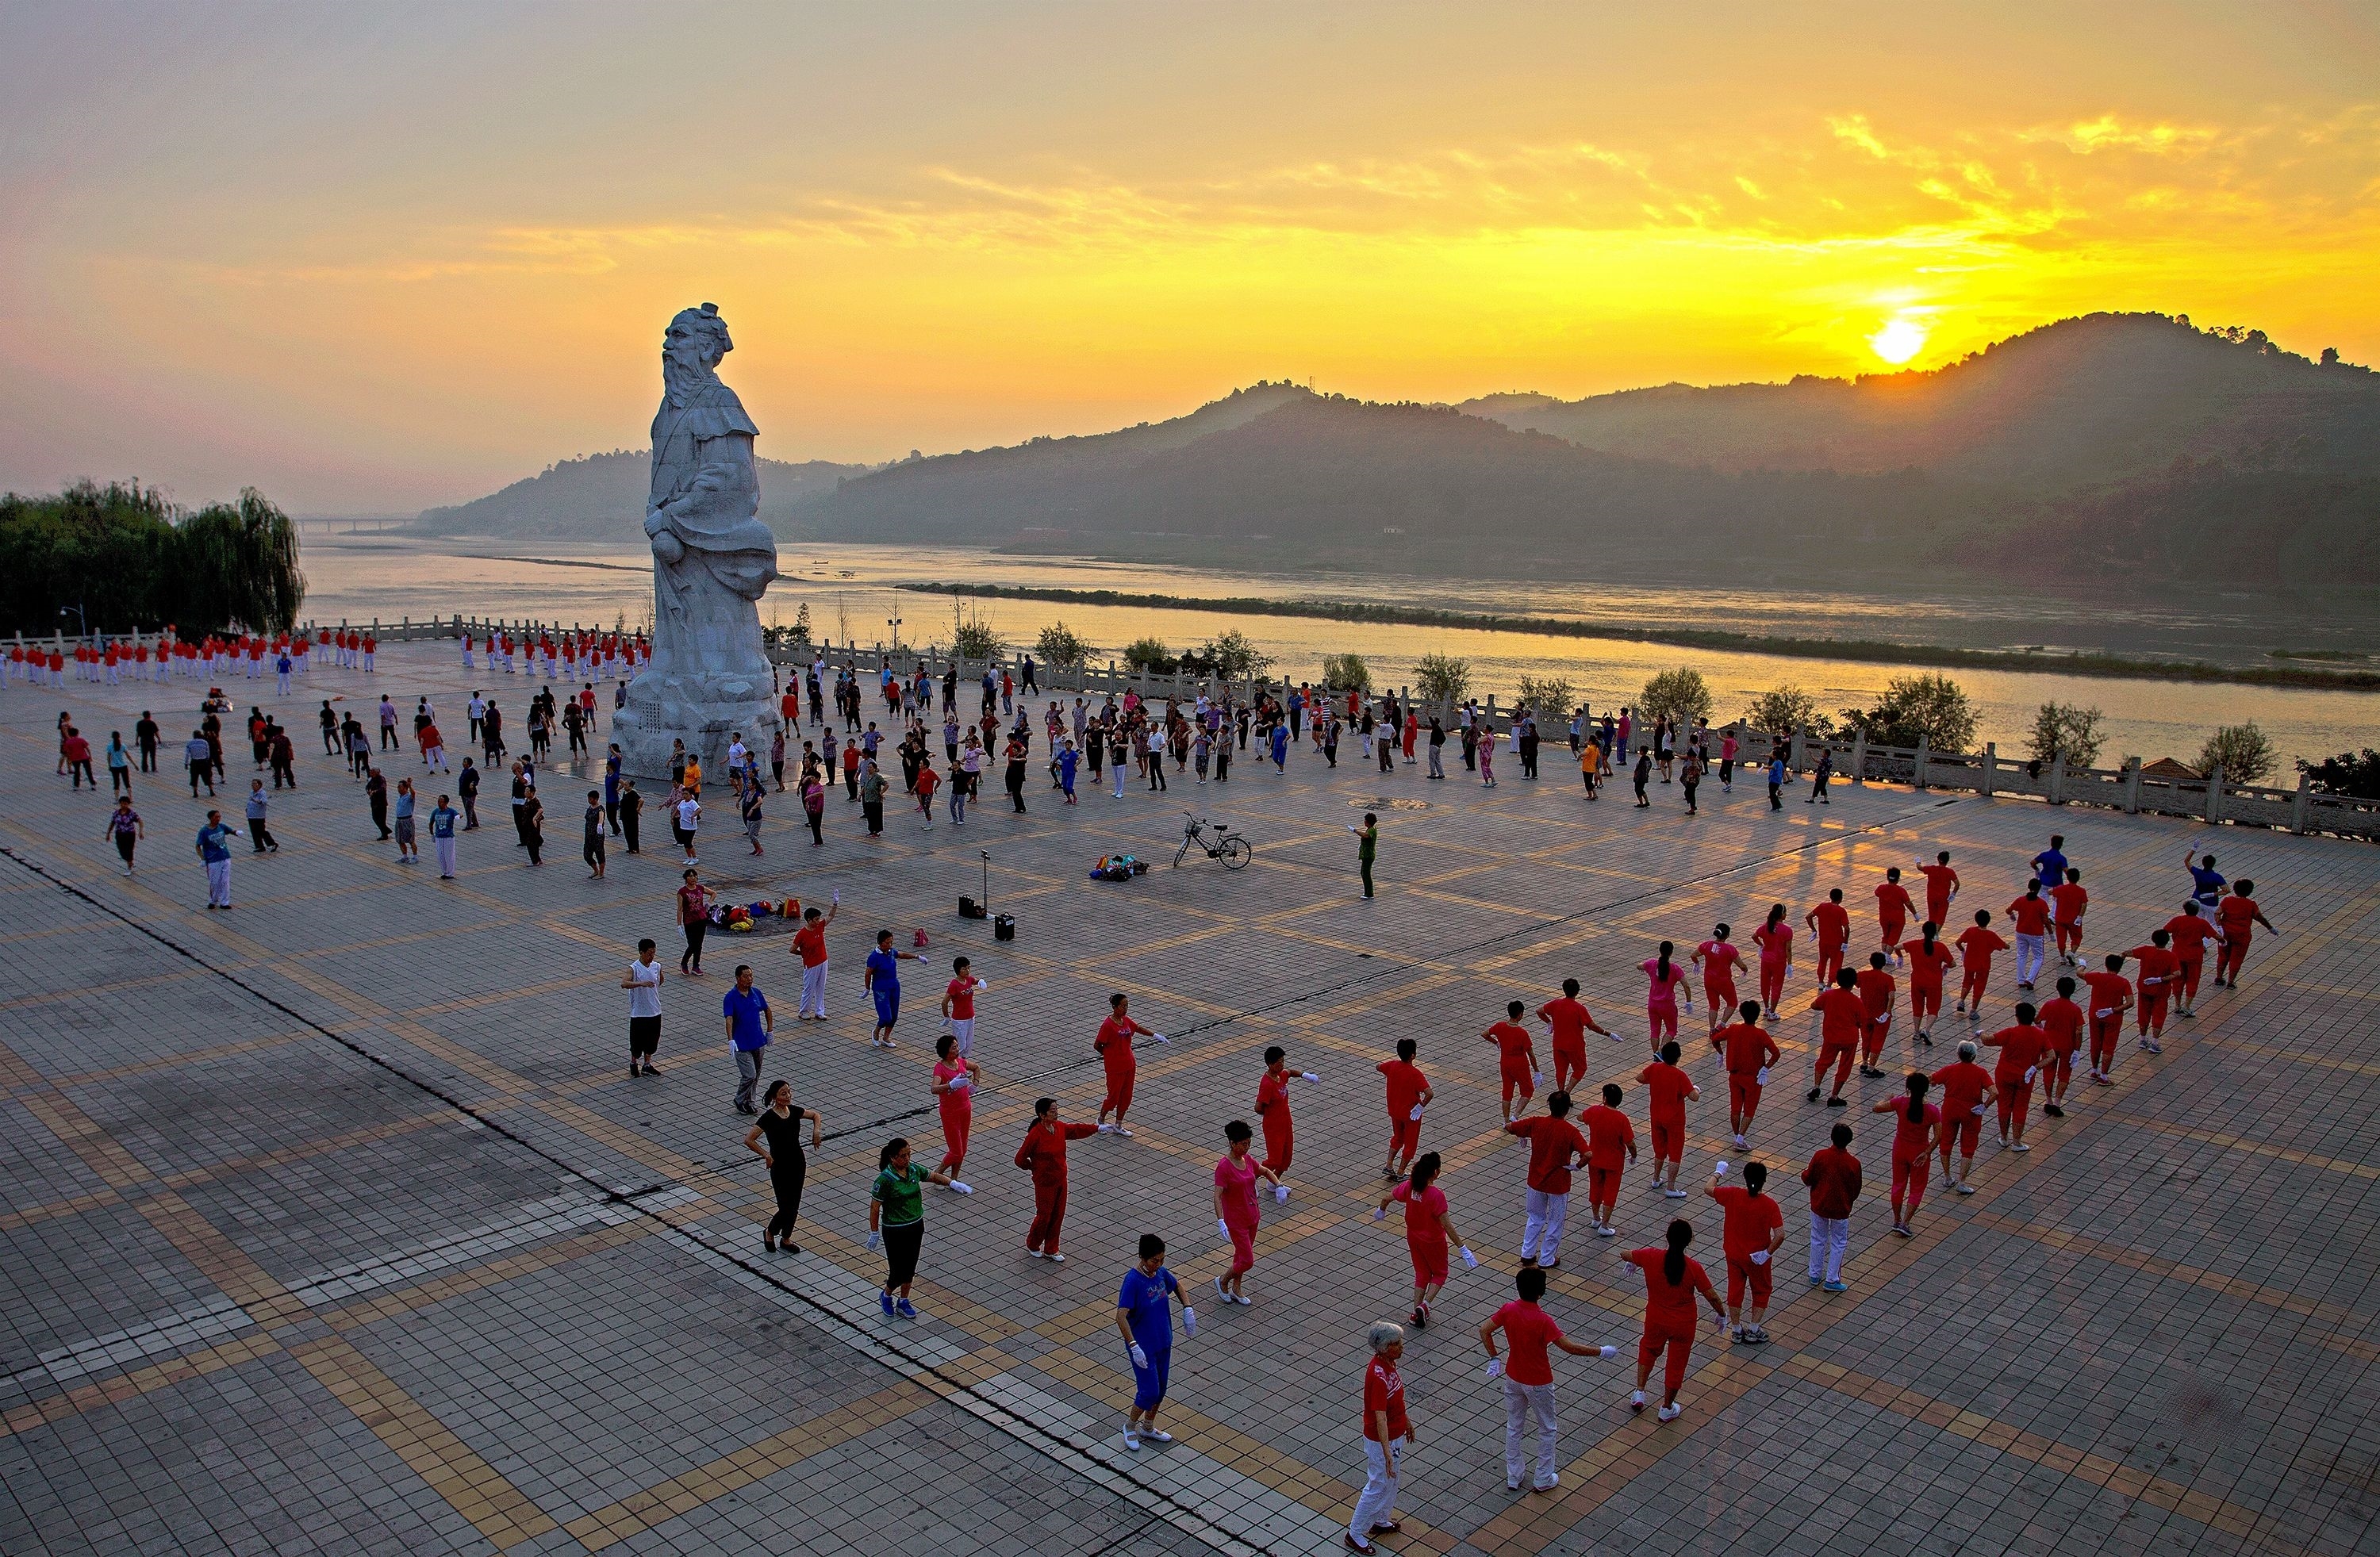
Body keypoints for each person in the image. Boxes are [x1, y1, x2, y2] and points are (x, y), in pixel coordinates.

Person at [1480, 1266, 1615, 1492]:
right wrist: (1601, 1351)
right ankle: (1543, 1477)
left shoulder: (1509, 1309)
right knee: (1547, 1428)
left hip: (1513, 1376)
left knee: (1514, 1426)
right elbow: (1569, 1347)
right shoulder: (1543, 1320)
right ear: (1540, 1293)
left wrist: (1494, 1357)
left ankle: (1514, 1475)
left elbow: (1484, 1330)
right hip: (1539, 1381)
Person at [1625, 1220, 1725, 1421]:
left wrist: (1634, 1262)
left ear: (1667, 1237)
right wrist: (1721, 1314)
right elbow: (1711, 1296)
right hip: (1683, 1324)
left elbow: (1625, 1254)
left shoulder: (1651, 1256)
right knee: (1676, 1364)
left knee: (1648, 1350)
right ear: (1690, 1241)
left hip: (1655, 1319)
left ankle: (1639, 1392)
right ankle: (1667, 1407)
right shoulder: (1693, 1267)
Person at [1372, 1150, 1472, 1328]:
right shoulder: (1436, 1195)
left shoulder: (1410, 1186)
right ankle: (1425, 1306)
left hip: (1413, 1237)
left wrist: (1381, 1210)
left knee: (1422, 1273)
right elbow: (1447, 1225)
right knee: (1440, 1273)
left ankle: (1415, 1312)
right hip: (1433, 1241)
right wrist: (1462, 1247)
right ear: (1435, 1172)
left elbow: (1387, 1198)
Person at [1117, 1233, 1194, 1450]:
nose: (1158, 1265)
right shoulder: (1133, 1282)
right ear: (1142, 1257)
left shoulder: (1160, 1273)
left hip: (1163, 1341)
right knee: (1148, 1391)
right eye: (1154, 1261)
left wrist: (1187, 1307)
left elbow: (1177, 1285)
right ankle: (1130, 1426)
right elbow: (1121, 1316)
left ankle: (1148, 1426)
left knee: (1160, 1390)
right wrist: (1133, 1345)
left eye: (1161, 1260)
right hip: (1144, 1347)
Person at [869, 1137, 958, 1318]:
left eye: (909, 1154)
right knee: (897, 1269)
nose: (907, 1159)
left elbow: (932, 1176)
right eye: (903, 1156)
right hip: (895, 1229)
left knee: (910, 1265)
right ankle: (886, 1295)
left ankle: (904, 1300)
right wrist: (874, 1232)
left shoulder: (913, 1170)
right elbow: (875, 1206)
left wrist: (952, 1183)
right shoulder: (885, 1180)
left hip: (915, 1225)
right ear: (893, 1158)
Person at [1346, 1321, 1413, 1553]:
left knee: (1392, 1480)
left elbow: (1396, 1401)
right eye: (1396, 1344)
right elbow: (1380, 1417)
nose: (1401, 1347)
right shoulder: (1378, 1375)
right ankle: (1355, 1532)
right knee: (1378, 1483)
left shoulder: (1390, 1364)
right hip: (1380, 1439)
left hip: (1395, 1434)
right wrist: (1386, 1451)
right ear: (1383, 1348)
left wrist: (1406, 1423)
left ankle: (1380, 1519)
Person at [1706, 1160, 1786, 1343]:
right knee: (1761, 1290)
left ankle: (1736, 1329)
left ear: (1745, 1177)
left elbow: (1708, 1188)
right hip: (1758, 1258)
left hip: (1734, 1255)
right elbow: (1780, 1235)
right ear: (1764, 1181)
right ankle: (1754, 1329)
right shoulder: (1770, 1205)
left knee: (1735, 1290)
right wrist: (1767, 1253)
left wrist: (1719, 1172)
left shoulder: (1733, 1194)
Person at [1507, 1090, 1588, 1267]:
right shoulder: (1571, 1131)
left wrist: (1522, 1136)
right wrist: (1577, 1166)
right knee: (1555, 1222)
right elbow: (1588, 1154)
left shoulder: (1537, 1122)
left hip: (1535, 1181)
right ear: (1567, 1109)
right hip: (1558, 1184)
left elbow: (1510, 1127)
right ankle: (1546, 1259)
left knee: (1535, 1218)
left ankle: (1527, 1254)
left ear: (1549, 1106)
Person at [1015, 1097, 1098, 1260]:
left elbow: (1076, 1130)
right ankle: (1033, 1243)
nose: (1056, 1114)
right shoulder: (1035, 1135)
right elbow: (1020, 1159)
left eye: (1056, 1110)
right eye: (1052, 1111)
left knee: (1058, 1214)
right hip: (1044, 1182)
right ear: (1042, 1114)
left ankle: (1052, 1248)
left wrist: (1097, 1128)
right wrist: (1033, 1167)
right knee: (1044, 1215)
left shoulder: (1059, 1127)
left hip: (1061, 1178)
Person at [745, 1081, 821, 1253]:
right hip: (779, 1165)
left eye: (789, 1092)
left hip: (797, 1162)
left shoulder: (794, 1111)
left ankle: (786, 1238)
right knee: (785, 1205)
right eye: (783, 1094)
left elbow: (816, 1115)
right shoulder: (769, 1118)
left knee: (795, 1202)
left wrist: (816, 1132)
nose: (788, 1096)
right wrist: (766, 1154)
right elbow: (749, 1139)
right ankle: (770, 1231)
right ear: (774, 1097)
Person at [1212, 1119, 1283, 1305]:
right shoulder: (1224, 1167)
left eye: (1249, 1144)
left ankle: (1236, 1288)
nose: (1247, 1148)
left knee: (1241, 1256)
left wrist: (1279, 1185)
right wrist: (1221, 1221)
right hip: (1236, 1221)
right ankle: (1222, 1280)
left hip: (1252, 1216)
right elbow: (1217, 1196)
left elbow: (1266, 1171)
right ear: (1232, 1143)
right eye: (1243, 1144)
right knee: (1247, 1260)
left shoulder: (1248, 1160)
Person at [1871, 1074, 1940, 1236]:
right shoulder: (1932, 1111)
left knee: (1898, 1184)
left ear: (1908, 1088)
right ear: (1926, 1089)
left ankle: (1896, 1219)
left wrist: (1885, 1098)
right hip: (1919, 1151)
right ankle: (1905, 1223)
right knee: (1917, 1188)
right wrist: (1927, 1152)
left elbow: (1876, 1108)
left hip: (1900, 1148)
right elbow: (1939, 1135)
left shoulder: (1900, 1102)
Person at [1801, 1122, 1862, 1292]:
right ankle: (1832, 1279)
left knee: (1818, 1238)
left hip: (1819, 1205)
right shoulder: (1853, 1163)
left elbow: (1808, 1177)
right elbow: (1856, 1188)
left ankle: (1814, 1274)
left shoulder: (1820, 1156)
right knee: (1839, 1242)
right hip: (1841, 1208)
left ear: (1832, 1137)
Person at [1929, 1041, 1995, 1194]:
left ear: (1958, 1054)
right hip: (1971, 1113)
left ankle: (1947, 1177)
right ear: (1974, 1056)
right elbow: (1995, 1093)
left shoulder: (1950, 1069)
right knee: (1968, 1148)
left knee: (1946, 1143)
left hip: (1950, 1110)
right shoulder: (1981, 1073)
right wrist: (1984, 1106)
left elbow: (1931, 1079)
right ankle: (1962, 1182)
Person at [1637, 1041, 1699, 1196]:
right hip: (1674, 1120)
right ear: (1678, 1058)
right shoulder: (1680, 1075)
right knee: (1675, 1153)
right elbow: (1694, 1098)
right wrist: (1695, 1089)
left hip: (1656, 1116)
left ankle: (1656, 1178)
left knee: (1659, 1150)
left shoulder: (1655, 1068)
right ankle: (1671, 1187)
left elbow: (1639, 1078)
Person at [1714, 1001, 1778, 1148]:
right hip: (1753, 1078)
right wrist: (1766, 1068)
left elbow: (1715, 1039)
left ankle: (1737, 1136)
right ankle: (1740, 1139)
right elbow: (1776, 1053)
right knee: (1749, 1110)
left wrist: (1720, 1053)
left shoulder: (1733, 1029)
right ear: (1756, 1016)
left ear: (1742, 1014)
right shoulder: (1761, 1034)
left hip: (1735, 1076)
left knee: (1735, 1108)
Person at [1580, 1082, 1637, 1237]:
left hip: (1595, 1159)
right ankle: (1605, 1225)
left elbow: (1580, 1117)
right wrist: (1634, 1155)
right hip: (1614, 1162)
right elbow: (1630, 1143)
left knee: (1596, 1187)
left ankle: (1596, 1218)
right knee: (1611, 1191)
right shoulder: (1621, 1119)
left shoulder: (1595, 1111)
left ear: (1604, 1098)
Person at [1255, 1046, 1320, 1180]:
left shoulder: (1281, 1075)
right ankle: (1250, 1180)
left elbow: (1289, 1072)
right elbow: (1258, 1107)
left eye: (1283, 1061)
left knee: (1286, 1159)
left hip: (1286, 1124)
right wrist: (1271, 1113)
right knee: (1274, 1160)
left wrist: (1304, 1075)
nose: (1282, 1065)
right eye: (1279, 1062)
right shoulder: (1267, 1084)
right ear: (1270, 1064)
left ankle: (1274, 1182)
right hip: (1273, 1128)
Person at [1536, 978, 1609, 1094]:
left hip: (1558, 1043)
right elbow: (1592, 1026)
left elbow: (1539, 1011)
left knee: (1561, 1070)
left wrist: (1549, 1023)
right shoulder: (1579, 1008)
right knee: (1580, 1069)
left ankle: (1560, 1092)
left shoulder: (1555, 1004)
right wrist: (1607, 1033)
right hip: (1575, 1045)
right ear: (1577, 991)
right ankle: (1567, 1092)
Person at [1806, 968, 1865, 1106]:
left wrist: (1827, 1009)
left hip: (1831, 1036)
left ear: (1838, 980)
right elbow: (1862, 1021)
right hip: (1849, 1039)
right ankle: (1834, 1096)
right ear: (1853, 982)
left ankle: (1816, 1087)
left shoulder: (1829, 995)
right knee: (1844, 1067)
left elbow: (1814, 1005)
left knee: (1823, 1061)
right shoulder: (1856, 1001)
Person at [1377, 1037, 1432, 1179]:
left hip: (1395, 1111)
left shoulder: (1392, 1066)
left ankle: (1389, 1165)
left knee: (1398, 1137)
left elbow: (1379, 1067)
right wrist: (1421, 1106)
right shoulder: (1415, 1074)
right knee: (1410, 1143)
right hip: (1411, 1113)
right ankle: (1401, 1173)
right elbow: (1429, 1093)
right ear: (1413, 1055)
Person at [723, 964, 772, 1114]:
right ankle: (739, 1100)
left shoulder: (756, 993)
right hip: (742, 1044)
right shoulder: (731, 997)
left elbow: (767, 1010)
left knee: (756, 1075)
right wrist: (731, 1040)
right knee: (749, 1075)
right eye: (746, 976)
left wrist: (770, 1031)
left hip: (757, 1041)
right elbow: (729, 1019)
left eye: (751, 975)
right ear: (738, 979)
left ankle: (750, 1102)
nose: (749, 979)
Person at [1482, 1000, 1541, 1124]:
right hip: (1520, 1065)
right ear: (1520, 1015)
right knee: (1528, 1090)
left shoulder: (1500, 1026)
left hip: (1505, 1063)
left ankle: (1505, 1120)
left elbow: (1485, 1034)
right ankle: (1515, 1115)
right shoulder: (1522, 1033)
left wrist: (1496, 1043)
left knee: (1507, 1091)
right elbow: (1531, 1054)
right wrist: (1537, 1071)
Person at [2080, 955, 2134, 1085]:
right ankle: (2104, 1076)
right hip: (2113, 1018)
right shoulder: (2123, 982)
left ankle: (2094, 1071)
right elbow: (2130, 1002)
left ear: (2106, 965)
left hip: (2095, 1015)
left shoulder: (2097, 977)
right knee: (2108, 1047)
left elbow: (2079, 973)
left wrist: (2083, 965)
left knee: (2095, 1044)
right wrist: (2113, 1010)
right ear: (2120, 967)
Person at [931, 1034, 979, 1177]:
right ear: (946, 1051)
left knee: (963, 1150)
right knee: (956, 1151)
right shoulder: (940, 1068)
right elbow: (934, 1089)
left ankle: (954, 1179)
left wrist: (974, 1085)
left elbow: (976, 1068)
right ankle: (937, 1175)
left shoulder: (961, 1063)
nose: (957, 1049)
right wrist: (951, 1085)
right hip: (950, 1113)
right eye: (954, 1048)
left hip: (965, 1110)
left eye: (957, 1046)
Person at [2163, 900, 2221, 1017]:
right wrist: (2223, 941)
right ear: (2197, 910)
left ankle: (2177, 1005)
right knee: (2192, 980)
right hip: (2194, 957)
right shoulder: (2202, 923)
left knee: (2178, 980)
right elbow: (2215, 935)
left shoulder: (2177, 920)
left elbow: (2165, 931)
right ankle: (2187, 1007)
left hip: (2178, 954)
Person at [863, 929, 919, 1048]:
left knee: (894, 1016)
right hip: (881, 989)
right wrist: (867, 988)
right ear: (880, 942)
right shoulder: (874, 957)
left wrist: (917, 957)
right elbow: (868, 973)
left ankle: (886, 1038)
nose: (890, 945)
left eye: (891, 942)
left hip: (894, 985)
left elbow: (901, 955)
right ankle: (876, 1031)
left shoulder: (891, 952)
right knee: (885, 1017)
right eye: (887, 943)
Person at [2213, 881, 2276, 988]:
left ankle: (2219, 978)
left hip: (2225, 934)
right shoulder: (2251, 904)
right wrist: (2270, 928)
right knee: (2236, 958)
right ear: (2249, 891)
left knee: (2223, 956)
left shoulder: (2227, 901)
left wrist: (2219, 927)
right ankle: (2231, 982)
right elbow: (2260, 917)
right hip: (2242, 935)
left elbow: (2217, 913)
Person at [2036, 975, 2084, 1118]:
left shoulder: (2049, 1004)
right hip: (2067, 1047)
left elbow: (2037, 1019)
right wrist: (2077, 1051)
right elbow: (2079, 1032)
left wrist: (2042, 1031)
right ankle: (2057, 1103)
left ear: (2057, 988)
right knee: (2064, 1075)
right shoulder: (2076, 1009)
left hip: (2049, 1046)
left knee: (2048, 1073)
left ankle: (2048, 1101)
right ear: (2073, 991)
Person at [2126, 929, 2178, 1054]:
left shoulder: (2146, 950)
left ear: (2153, 940)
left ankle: (2142, 1040)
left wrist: (2121, 957)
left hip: (2144, 989)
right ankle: (2155, 1043)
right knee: (2158, 1016)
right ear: (2167, 941)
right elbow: (2177, 973)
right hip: (2161, 991)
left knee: (2143, 1014)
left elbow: (2128, 953)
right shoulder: (2171, 956)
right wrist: (2161, 979)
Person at [1954, 910, 2009, 1026]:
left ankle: (1962, 1001)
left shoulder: (1970, 931)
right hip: (1983, 965)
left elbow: (1958, 942)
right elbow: (2005, 946)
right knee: (1979, 986)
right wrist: (2005, 945)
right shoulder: (1991, 935)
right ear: (1988, 921)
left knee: (1967, 981)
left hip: (1969, 961)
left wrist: (1963, 951)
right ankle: (1973, 1011)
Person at [1906, 920, 1954, 1045]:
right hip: (1934, 983)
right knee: (1933, 1008)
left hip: (1917, 981)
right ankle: (1926, 1030)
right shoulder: (1941, 947)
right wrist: (1945, 967)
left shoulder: (1915, 944)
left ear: (1923, 931)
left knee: (1917, 1007)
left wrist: (1900, 957)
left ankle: (1916, 1033)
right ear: (1935, 932)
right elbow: (1952, 963)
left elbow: (1898, 947)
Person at [1691, 928, 1745, 1039]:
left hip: (1709, 980)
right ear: (1727, 935)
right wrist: (1745, 970)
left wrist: (1696, 964)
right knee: (1732, 1003)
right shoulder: (1730, 949)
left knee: (1713, 1005)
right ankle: (1721, 1026)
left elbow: (1693, 955)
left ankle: (1711, 1030)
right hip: (1724, 981)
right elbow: (1741, 965)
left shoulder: (1707, 945)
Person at [621, 938, 664, 1076]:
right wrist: (640, 984)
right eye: (649, 953)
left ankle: (647, 1064)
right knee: (637, 1040)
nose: (651, 956)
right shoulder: (634, 968)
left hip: (655, 1010)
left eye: (653, 953)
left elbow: (660, 980)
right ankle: (634, 1063)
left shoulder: (656, 966)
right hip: (639, 1012)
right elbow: (624, 983)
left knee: (652, 1040)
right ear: (641, 952)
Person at [792, 899, 839, 1021]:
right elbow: (792, 949)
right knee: (809, 988)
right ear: (809, 920)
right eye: (816, 919)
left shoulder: (819, 927)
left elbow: (831, 916)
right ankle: (804, 1011)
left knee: (821, 987)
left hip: (823, 961)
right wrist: (803, 954)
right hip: (811, 965)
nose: (819, 921)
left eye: (819, 919)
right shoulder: (802, 934)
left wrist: (835, 904)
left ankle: (819, 1011)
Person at [1641, 942, 1691, 1053]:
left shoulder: (1652, 964)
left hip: (1652, 1004)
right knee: (1671, 1030)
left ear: (1660, 950)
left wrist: (1642, 967)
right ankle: (1661, 1050)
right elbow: (1686, 985)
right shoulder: (1675, 968)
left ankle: (1655, 1054)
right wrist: (1689, 1001)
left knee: (1655, 1031)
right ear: (1671, 952)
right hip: (1667, 1005)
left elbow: (1640, 966)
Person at [1854, 953, 1898, 1078]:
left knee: (1866, 1039)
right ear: (1884, 964)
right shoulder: (1888, 979)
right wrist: (1887, 1012)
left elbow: (1856, 984)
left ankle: (1864, 1063)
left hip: (1865, 1015)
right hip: (1880, 1017)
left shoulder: (1862, 975)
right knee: (1877, 1041)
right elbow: (1891, 997)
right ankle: (1871, 1068)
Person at [2006, 881, 2052, 990]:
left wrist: (2012, 915)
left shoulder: (2021, 900)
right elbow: (2046, 920)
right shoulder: (2041, 903)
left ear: (2028, 887)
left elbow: (2008, 910)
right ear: (2039, 888)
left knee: (2022, 955)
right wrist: (2051, 933)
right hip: (2036, 934)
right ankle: (2030, 979)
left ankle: (2021, 980)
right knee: (2038, 957)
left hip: (2021, 931)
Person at [1751, 903, 1793, 1017]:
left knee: (1765, 984)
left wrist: (1761, 945)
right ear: (1782, 915)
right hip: (1779, 961)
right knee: (1776, 986)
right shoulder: (1787, 930)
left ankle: (1766, 1008)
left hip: (1766, 960)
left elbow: (1754, 936)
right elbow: (1788, 949)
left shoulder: (1766, 926)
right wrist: (1790, 964)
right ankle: (1773, 1012)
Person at [195, 809, 241, 908]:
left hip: (225, 857)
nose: (218, 819)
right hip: (213, 860)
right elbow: (198, 846)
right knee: (215, 882)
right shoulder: (204, 831)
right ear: (211, 818)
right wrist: (202, 858)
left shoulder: (221, 826)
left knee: (225, 881)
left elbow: (230, 831)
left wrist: (237, 832)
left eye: (219, 817)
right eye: (216, 817)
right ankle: (213, 901)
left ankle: (225, 903)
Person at [941, 957, 986, 1057]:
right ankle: (955, 1068)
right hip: (959, 1021)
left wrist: (981, 981)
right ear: (958, 970)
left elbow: (975, 981)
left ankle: (964, 1068)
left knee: (968, 1045)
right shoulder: (954, 985)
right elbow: (944, 1002)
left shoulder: (968, 979)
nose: (967, 971)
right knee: (960, 1046)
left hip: (970, 1018)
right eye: (964, 969)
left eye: (968, 968)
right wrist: (946, 1017)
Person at [1806, 889, 1850, 988]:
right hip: (1837, 943)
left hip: (1823, 941)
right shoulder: (1841, 911)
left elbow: (1808, 917)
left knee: (1822, 961)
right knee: (1835, 964)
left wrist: (1814, 930)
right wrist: (1845, 941)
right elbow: (1846, 928)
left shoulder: (1822, 907)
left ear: (1830, 896)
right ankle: (1829, 985)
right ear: (1841, 898)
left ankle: (1821, 982)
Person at [1874, 868, 1917, 964]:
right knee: (1893, 937)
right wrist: (1915, 914)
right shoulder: (1901, 891)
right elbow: (1908, 903)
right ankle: (1887, 957)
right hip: (1898, 918)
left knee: (1886, 936)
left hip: (1884, 916)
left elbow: (1876, 893)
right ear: (1898, 879)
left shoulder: (1881, 888)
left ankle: (1884, 955)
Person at [102, 796, 145, 876]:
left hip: (130, 834)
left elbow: (140, 821)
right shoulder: (116, 813)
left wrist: (141, 832)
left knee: (129, 850)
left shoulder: (131, 813)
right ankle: (130, 861)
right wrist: (108, 834)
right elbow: (112, 823)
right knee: (121, 850)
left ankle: (129, 867)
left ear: (128, 804)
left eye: (126, 804)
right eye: (122, 804)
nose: (124, 805)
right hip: (119, 834)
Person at [244, 780, 279, 853]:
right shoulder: (252, 793)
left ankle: (272, 844)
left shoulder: (262, 793)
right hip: (251, 816)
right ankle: (259, 846)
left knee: (261, 831)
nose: (253, 785)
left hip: (259, 816)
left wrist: (256, 801)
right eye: (252, 784)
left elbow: (264, 802)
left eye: (255, 784)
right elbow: (249, 802)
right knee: (254, 832)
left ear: (259, 785)